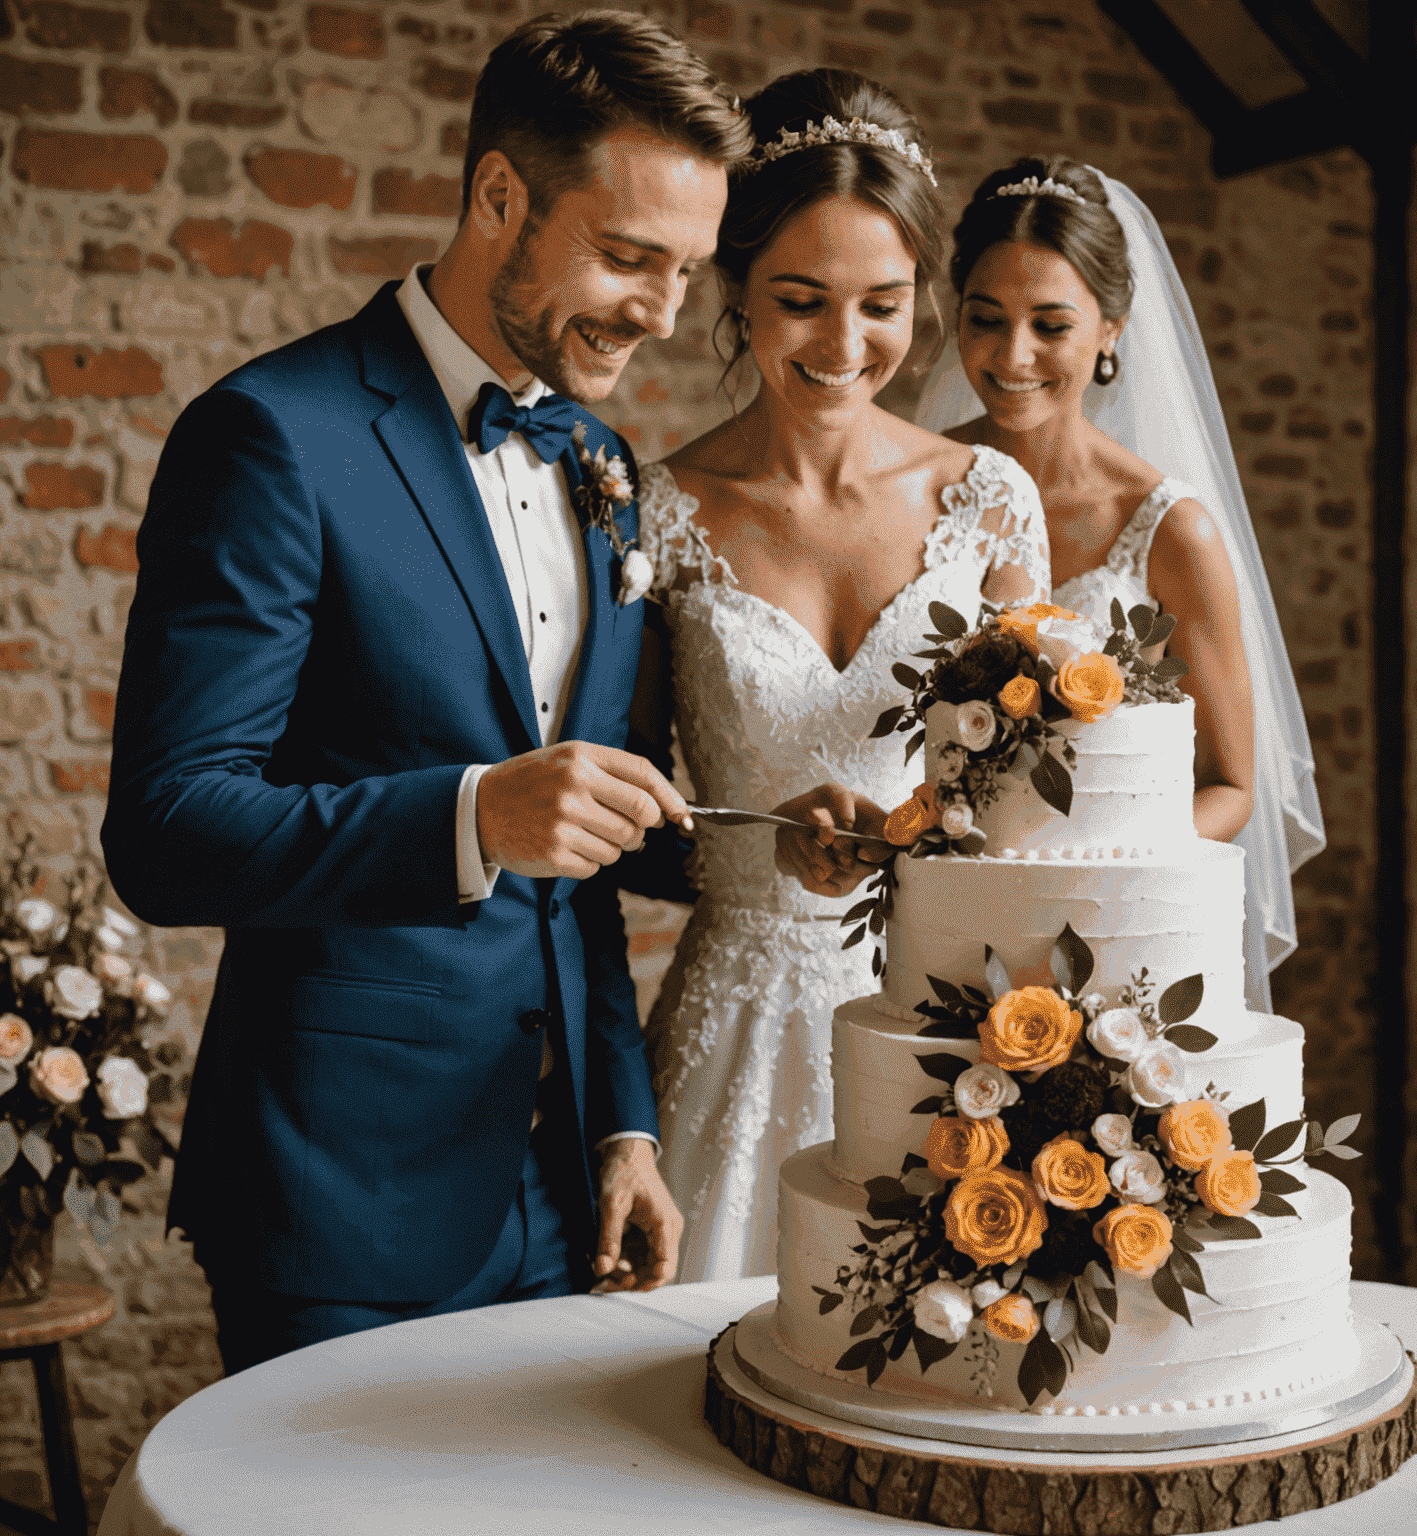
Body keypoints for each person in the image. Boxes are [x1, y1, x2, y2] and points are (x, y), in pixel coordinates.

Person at [101, 11, 752, 1371]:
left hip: (561, 1199)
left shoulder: (608, 468)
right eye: (629, 257)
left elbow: (571, 862)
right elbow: (165, 830)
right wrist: (470, 816)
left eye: (687, 270)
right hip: (339, 1195)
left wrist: (622, 1128)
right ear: (499, 197)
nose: (664, 313)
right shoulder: (272, 438)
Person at [635, 70, 1052, 1283]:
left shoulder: (988, 503)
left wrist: (920, 841)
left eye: (883, 303)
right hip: (728, 1027)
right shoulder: (658, 514)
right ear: (735, 290)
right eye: (801, 300)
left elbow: (1031, 808)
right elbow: (625, 817)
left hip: (936, 1023)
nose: (845, 345)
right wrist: (753, 844)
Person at [916, 156, 1324, 1013]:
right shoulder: (917, 486)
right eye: (985, 319)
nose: (1012, 354)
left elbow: (1234, 785)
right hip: (936, 927)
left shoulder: (1171, 531)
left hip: (1113, 951)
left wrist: (1085, 876)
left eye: (1050, 324)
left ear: (1112, 330)